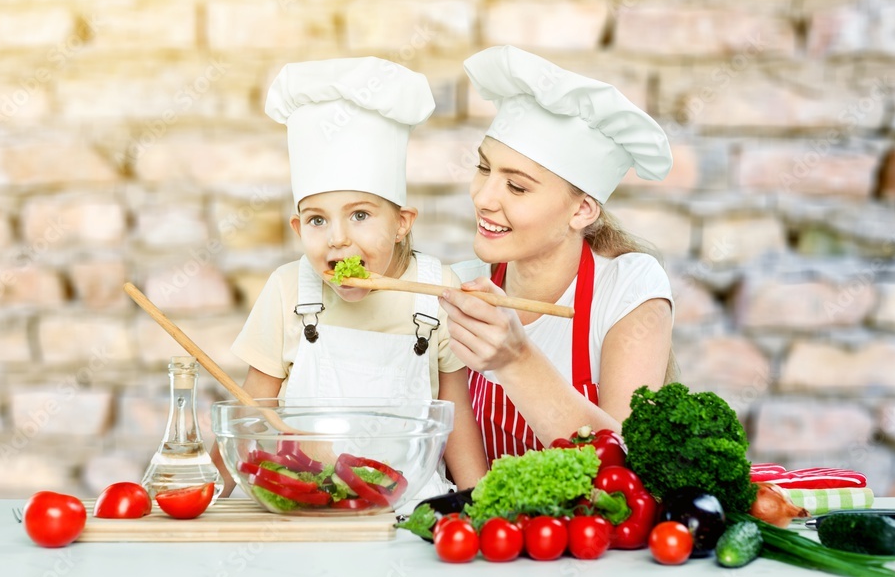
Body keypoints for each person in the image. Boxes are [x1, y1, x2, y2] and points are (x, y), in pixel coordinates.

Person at [213, 57, 488, 498]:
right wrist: (211, 492)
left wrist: (481, 501)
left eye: (360, 215)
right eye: (317, 220)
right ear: (298, 229)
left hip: (406, 505)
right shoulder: (288, 290)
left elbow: (455, 415)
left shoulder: (440, 292)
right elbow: (251, 411)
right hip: (303, 505)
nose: (338, 240)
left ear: (401, 222)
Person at [440, 45, 677, 466]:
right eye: (483, 168)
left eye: (516, 187)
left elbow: (627, 468)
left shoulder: (629, 289)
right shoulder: (460, 284)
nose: (483, 197)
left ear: (582, 210)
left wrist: (516, 359)